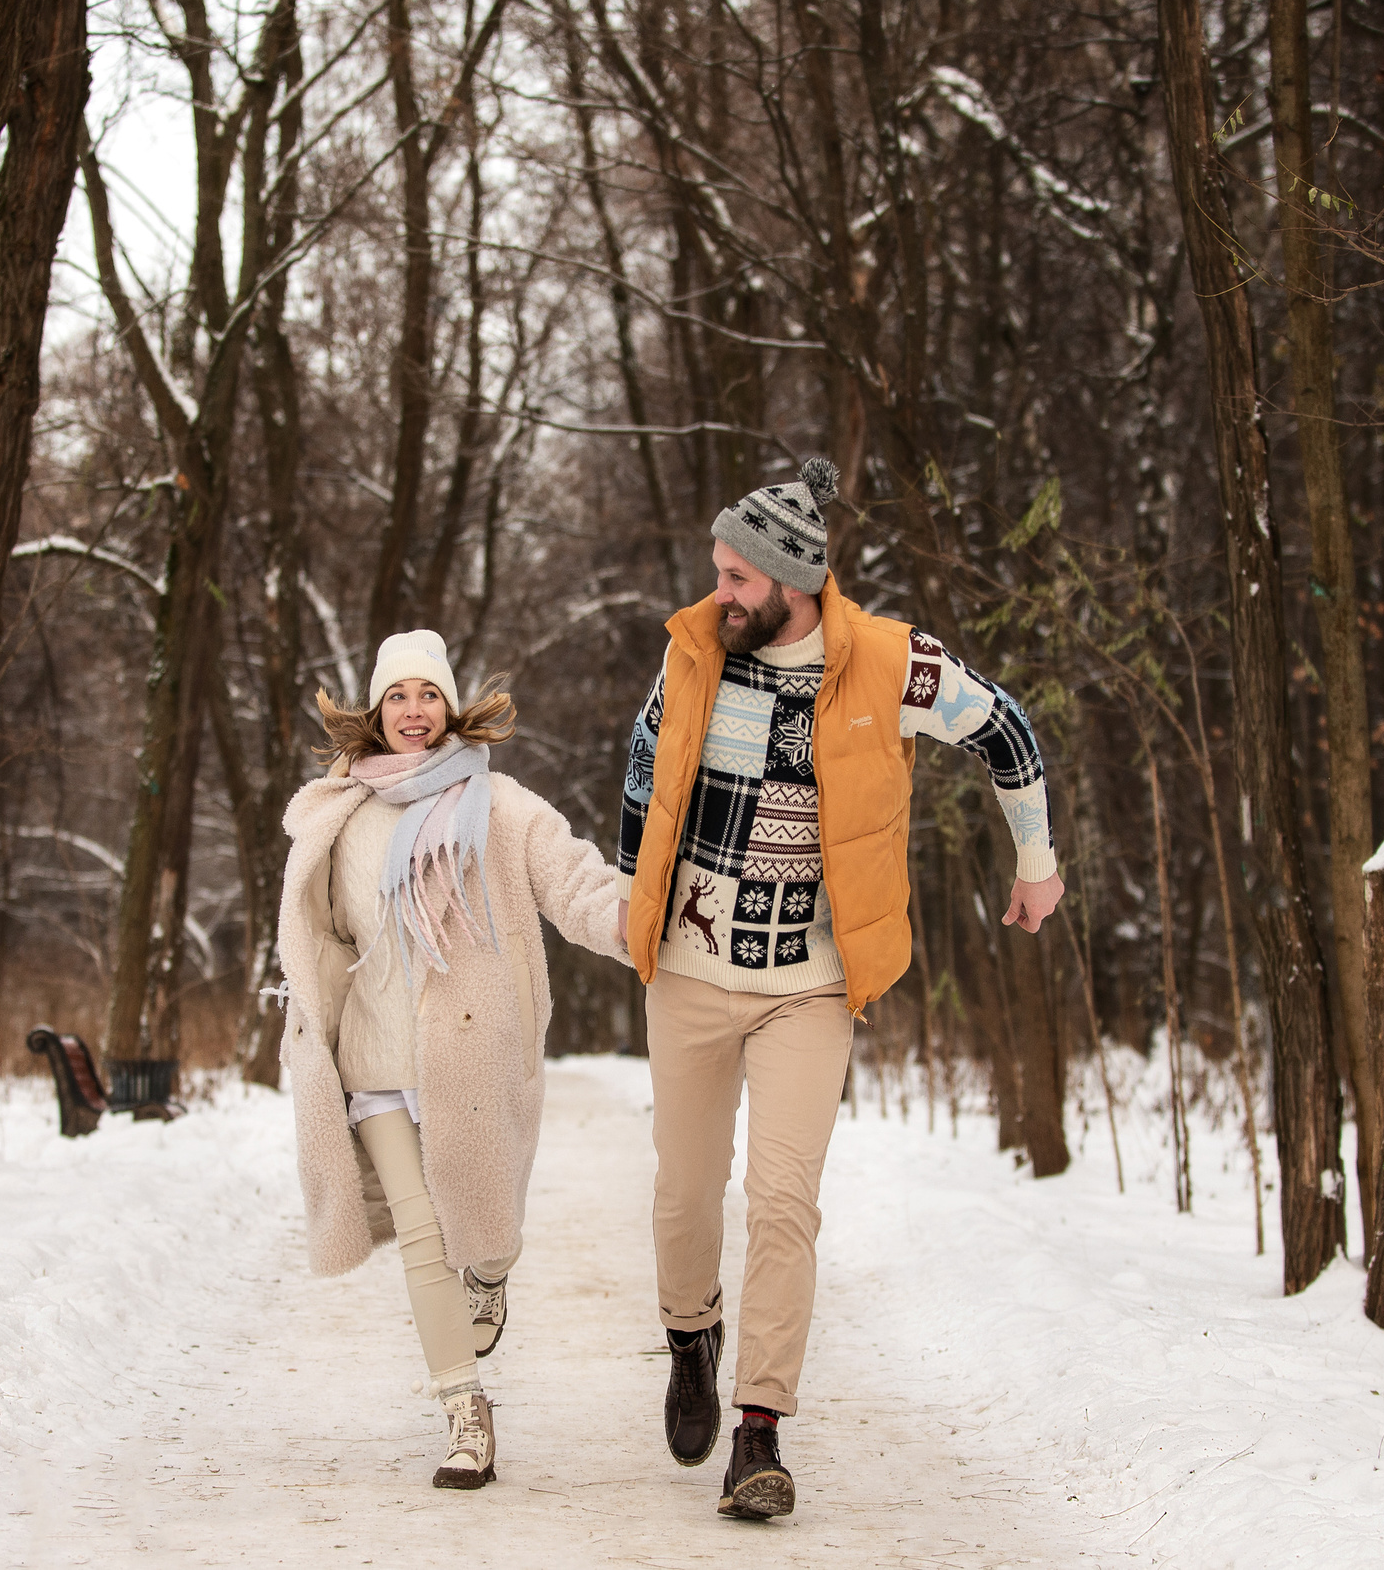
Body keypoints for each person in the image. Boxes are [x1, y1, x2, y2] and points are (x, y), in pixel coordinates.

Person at [614, 458, 1065, 1521]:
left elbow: (1004, 728)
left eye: (734, 575)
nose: (716, 590)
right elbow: (641, 773)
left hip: (809, 988)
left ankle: (758, 1433)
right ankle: (691, 1336)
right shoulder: (691, 655)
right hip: (686, 974)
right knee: (684, 1194)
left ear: (791, 581)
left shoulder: (891, 663)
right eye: (717, 570)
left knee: (782, 1201)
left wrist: (1035, 860)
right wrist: (632, 904)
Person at [277, 629, 630, 1491]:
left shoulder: (499, 806)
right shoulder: (339, 814)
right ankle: (465, 1412)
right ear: (375, 709)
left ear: (449, 707)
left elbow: (574, 882)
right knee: (424, 1234)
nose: (412, 710)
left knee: (485, 1228)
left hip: (472, 1049)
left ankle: (494, 1274)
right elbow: (319, 934)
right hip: (375, 1056)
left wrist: (640, 921)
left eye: (426, 695)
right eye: (396, 695)